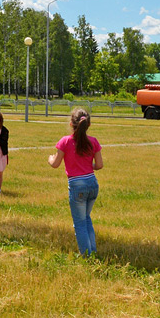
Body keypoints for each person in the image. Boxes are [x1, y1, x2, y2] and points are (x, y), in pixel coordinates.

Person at [47, 107, 103, 255]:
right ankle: (93, 251)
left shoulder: (65, 141)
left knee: (79, 223)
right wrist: (86, 165)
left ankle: (86, 255)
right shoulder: (93, 142)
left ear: (72, 124)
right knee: (86, 218)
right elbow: (99, 165)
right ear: (88, 125)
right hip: (92, 183)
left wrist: (50, 158)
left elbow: (55, 164)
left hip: (77, 185)